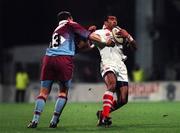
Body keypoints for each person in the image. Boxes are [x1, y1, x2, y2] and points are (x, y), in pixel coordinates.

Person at [27, 11, 113, 128]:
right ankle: (54, 120)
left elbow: (80, 47)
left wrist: (90, 37)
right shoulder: (71, 24)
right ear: (69, 18)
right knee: (63, 92)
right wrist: (103, 41)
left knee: (43, 92)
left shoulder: (57, 30)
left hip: (48, 59)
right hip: (63, 60)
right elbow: (89, 37)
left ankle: (35, 120)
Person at [93, 15, 137, 127]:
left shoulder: (119, 33)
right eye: (111, 20)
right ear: (105, 22)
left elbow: (135, 48)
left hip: (121, 65)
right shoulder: (99, 32)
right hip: (107, 63)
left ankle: (102, 114)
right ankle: (105, 117)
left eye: (116, 20)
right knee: (112, 85)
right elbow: (88, 43)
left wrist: (128, 36)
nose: (114, 21)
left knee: (123, 100)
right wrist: (90, 34)